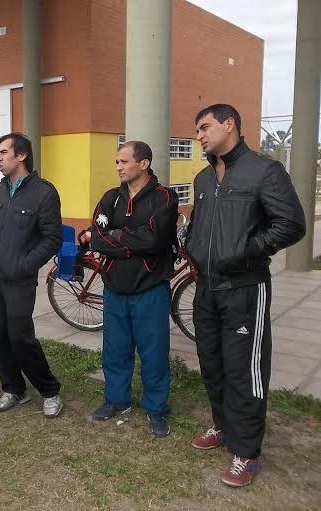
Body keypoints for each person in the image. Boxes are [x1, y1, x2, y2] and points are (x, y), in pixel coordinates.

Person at [186, 104, 305, 487]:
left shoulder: (264, 171)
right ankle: (223, 426)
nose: (199, 136)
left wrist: (246, 250)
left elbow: (292, 223)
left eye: (205, 127)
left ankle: (246, 450)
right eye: (197, 130)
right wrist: (192, 246)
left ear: (230, 124)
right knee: (212, 363)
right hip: (206, 288)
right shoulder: (204, 178)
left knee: (244, 369)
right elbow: (201, 225)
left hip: (244, 287)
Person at [85, 141, 178, 437]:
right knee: (115, 350)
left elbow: (155, 239)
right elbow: (96, 236)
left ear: (144, 163)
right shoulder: (111, 198)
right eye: (117, 162)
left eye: (124, 161)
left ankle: (156, 408)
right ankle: (117, 400)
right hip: (114, 288)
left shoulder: (164, 197)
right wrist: (128, 243)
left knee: (154, 353)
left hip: (150, 289)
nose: (118, 167)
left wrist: (117, 239)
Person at [0, 132, 64, 418]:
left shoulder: (44, 193)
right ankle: (14, 388)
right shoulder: (0, 189)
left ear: (22, 155)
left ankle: (49, 390)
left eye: (3, 152)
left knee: (20, 337)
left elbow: (52, 238)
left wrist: (25, 265)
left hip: (19, 279)